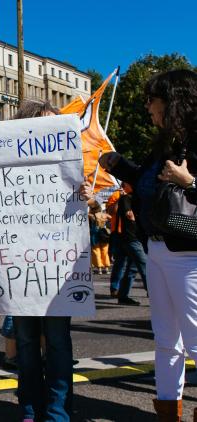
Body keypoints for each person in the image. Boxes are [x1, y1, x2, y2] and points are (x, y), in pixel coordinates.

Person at [0, 99, 89, 422]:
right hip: (19, 273)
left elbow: (81, 199)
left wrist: (85, 196)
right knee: (27, 343)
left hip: (55, 271)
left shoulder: (65, 166)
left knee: (58, 344)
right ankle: (30, 409)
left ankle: (58, 412)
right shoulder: (7, 166)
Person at [99, 69, 197, 422]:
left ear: (173, 102)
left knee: (196, 340)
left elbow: (181, 187)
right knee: (166, 340)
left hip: (189, 254)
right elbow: (148, 184)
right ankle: (167, 411)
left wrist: (191, 181)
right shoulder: (165, 142)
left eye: (152, 100)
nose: (147, 108)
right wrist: (121, 165)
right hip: (158, 248)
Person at [110, 184, 147, 305]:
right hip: (130, 237)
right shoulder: (125, 198)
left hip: (131, 238)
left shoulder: (136, 198)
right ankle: (156, 295)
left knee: (132, 269)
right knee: (144, 267)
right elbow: (127, 215)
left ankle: (123, 296)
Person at [88, 200, 111, 275]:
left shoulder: (90, 215)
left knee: (96, 251)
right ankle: (106, 268)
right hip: (104, 234)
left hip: (95, 234)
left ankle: (99, 268)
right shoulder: (104, 215)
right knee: (105, 251)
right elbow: (110, 217)